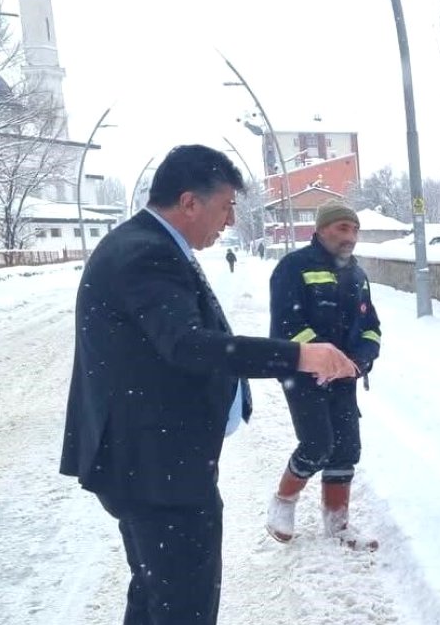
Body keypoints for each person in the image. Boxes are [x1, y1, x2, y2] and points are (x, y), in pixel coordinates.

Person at [60, 144, 359, 625]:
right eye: (225, 206)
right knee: (184, 607)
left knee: (155, 596)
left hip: (151, 463)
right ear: (189, 202)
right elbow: (188, 345)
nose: (230, 220)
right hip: (160, 472)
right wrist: (301, 355)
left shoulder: (145, 245)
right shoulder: (146, 254)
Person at [266, 199, 382, 550]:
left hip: (344, 376)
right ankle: (283, 501)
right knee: (317, 444)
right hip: (302, 373)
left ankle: (338, 524)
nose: (351, 237)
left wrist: (359, 361)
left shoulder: (358, 276)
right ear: (320, 230)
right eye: (342, 228)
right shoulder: (293, 267)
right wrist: (325, 358)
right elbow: (287, 325)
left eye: (355, 230)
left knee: (346, 448)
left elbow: (370, 327)